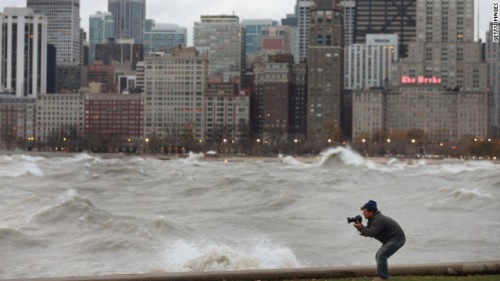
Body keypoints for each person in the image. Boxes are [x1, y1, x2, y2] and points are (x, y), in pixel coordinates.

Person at [353, 200, 406, 280]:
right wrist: (361, 227)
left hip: (397, 239)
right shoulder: (372, 219)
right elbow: (368, 231)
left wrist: (361, 228)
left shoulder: (379, 220)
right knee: (379, 255)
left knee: (381, 256)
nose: (363, 213)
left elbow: (372, 233)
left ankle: (383, 278)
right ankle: (382, 277)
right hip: (391, 239)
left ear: (371, 212)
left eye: (365, 211)